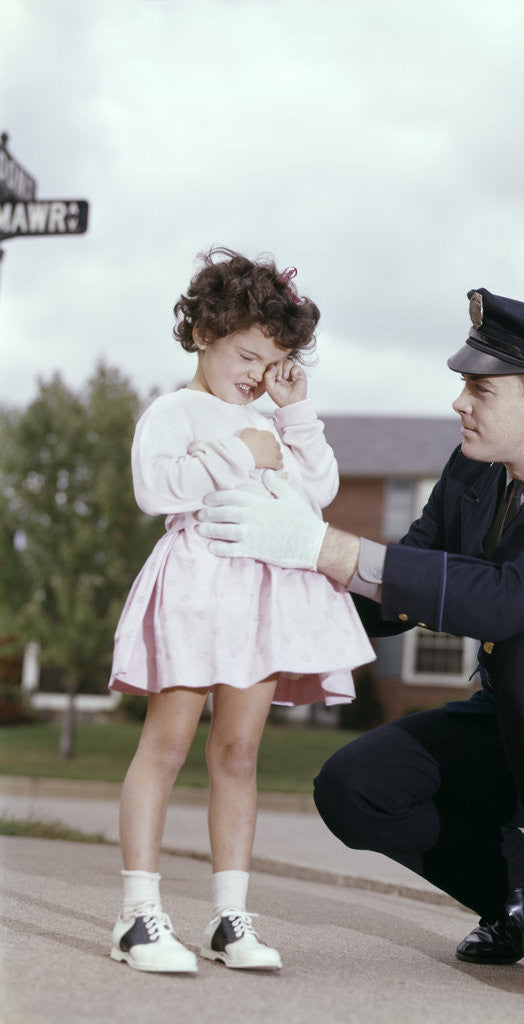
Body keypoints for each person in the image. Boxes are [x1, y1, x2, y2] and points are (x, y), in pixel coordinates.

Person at [196, 286, 524, 1002]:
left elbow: (509, 602)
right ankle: (509, 894)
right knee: (355, 788)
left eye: (478, 387)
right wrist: (278, 579)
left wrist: (324, 545)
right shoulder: (473, 471)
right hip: (518, 718)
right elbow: (403, 595)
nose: (457, 403)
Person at [108, 247, 374, 975]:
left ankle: (229, 917)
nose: (255, 372)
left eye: (272, 361)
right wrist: (238, 452)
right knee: (165, 745)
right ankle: (137, 915)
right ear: (203, 335)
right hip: (196, 590)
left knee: (239, 753)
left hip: (259, 599)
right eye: (248, 354)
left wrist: (293, 413)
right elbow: (155, 491)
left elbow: (316, 490)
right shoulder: (174, 410)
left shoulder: (271, 419)